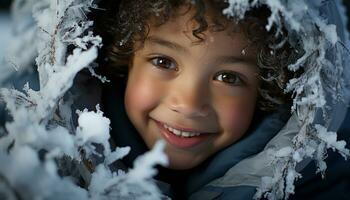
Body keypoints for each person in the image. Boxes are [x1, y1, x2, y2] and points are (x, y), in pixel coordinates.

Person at [83, 0, 350, 199]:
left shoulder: (323, 182)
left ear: (267, 88)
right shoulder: (56, 161)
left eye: (228, 78)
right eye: (163, 62)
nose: (188, 104)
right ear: (126, 56)